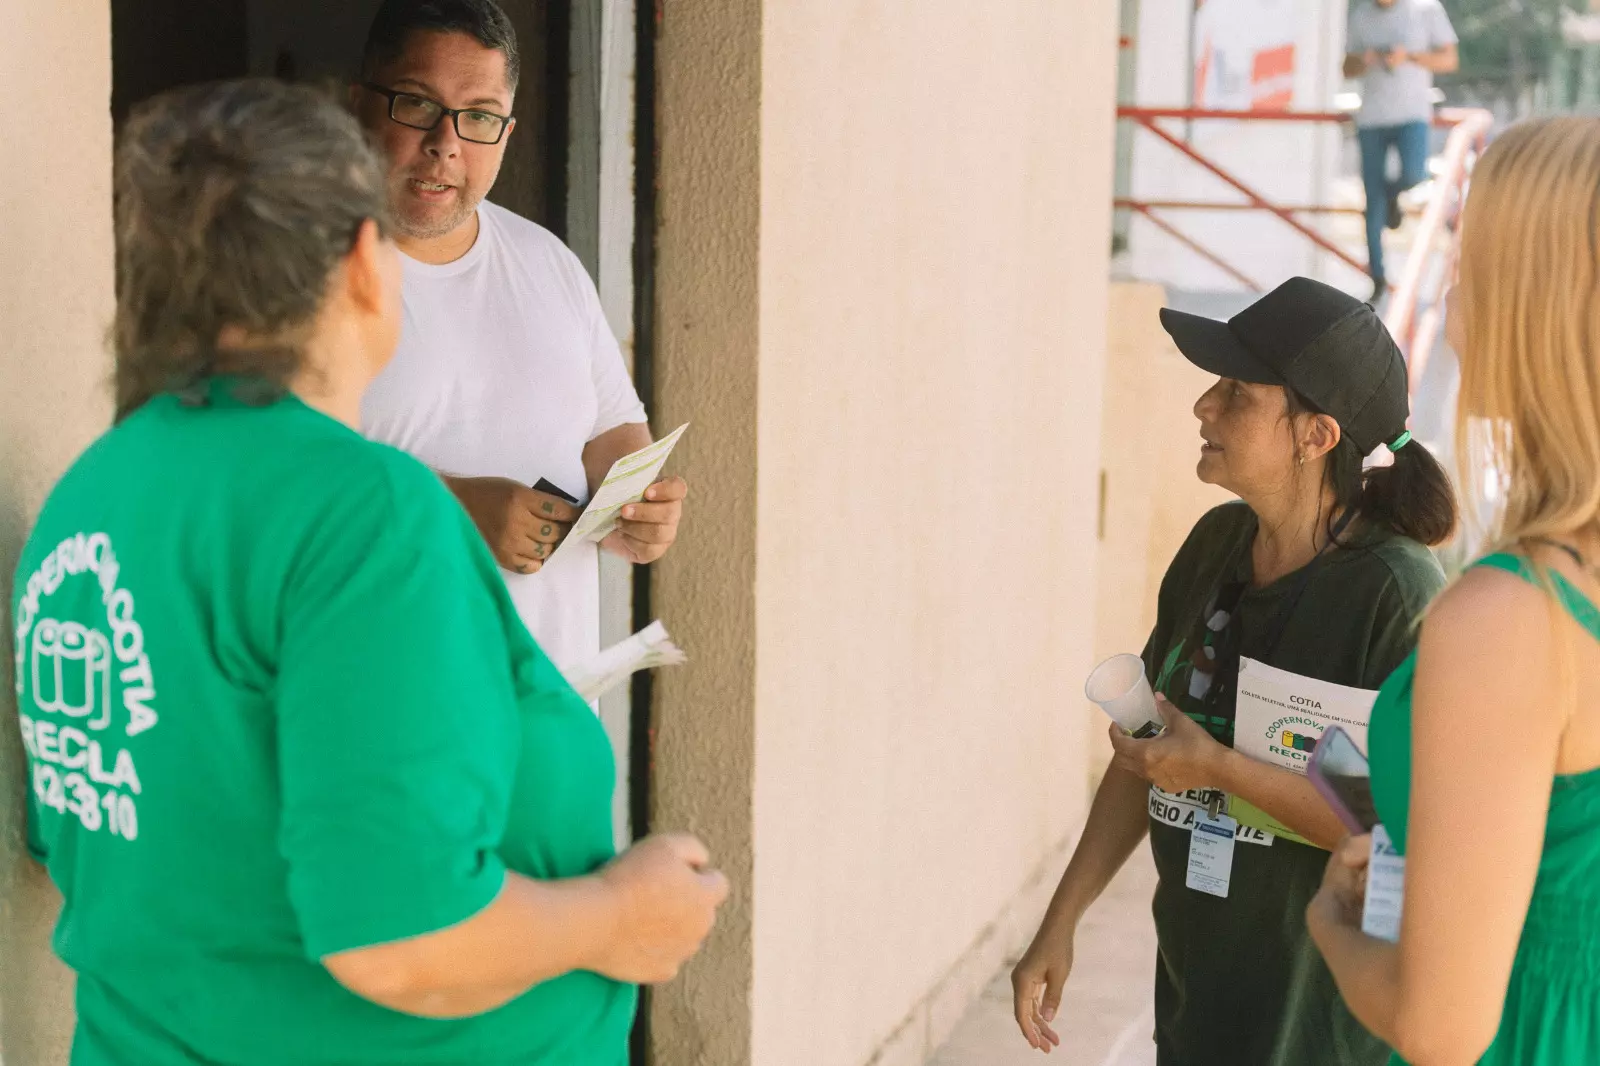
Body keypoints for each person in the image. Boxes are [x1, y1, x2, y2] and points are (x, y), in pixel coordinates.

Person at [11, 79, 726, 1066]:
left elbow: (100, 842)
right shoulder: (363, 511)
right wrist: (619, 914)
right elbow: (399, 934)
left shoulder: (92, 494)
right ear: (361, 259)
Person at [1012, 278, 1456, 1065]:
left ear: (1315, 436)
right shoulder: (1215, 547)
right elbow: (1147, 751)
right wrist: (1062, 917)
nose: (1203, 408)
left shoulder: (1394, 595)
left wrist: (1217, 767)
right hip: (1198, 999)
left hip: (1322, 1027)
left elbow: (1397, 830)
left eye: (1237, 394)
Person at [1310, 117, 1600, 1066]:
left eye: (1469, 254)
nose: (1449, 280)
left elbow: (1443, 1030)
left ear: (1540, 296)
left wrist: (1333, 927)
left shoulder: (1516, 617)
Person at [352, 0, 680, 674]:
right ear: (357, 105)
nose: (446, 142)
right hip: (385, 718)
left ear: (506, 131)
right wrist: (455, 506)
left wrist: (640, 508)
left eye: (477, 116)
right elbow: (256, 476)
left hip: (546, 715)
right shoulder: (294, 270)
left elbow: (613, 432)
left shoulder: (547, 262)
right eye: (416, 104)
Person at [1343, 0, 1459, 301]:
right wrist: (1366, 59)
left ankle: (1393, 196)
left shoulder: (1425, 9)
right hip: (1372, 117)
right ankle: (1377, 277)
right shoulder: (1362, 15)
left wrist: (1408, 57)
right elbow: (1346, 67)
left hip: (1412, 114)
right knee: (1372, 201)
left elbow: (1449, 60)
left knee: (1414, 175)